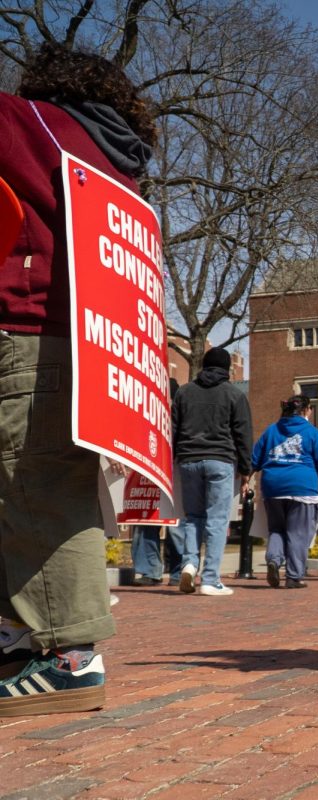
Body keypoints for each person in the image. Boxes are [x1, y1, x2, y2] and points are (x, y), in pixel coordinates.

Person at [0, 44, 157, 714]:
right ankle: (25, 635)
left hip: (30, 334)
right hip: (92, 348)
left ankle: (68, 656)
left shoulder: (29, 125)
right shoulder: (111, 160)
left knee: (32, 487)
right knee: (40, 485)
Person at [169, 347, 255, 597]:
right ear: (227, 368)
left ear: (203, 365)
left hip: (188, 460)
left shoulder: (184, 392)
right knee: (217, 520)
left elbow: (172, 428)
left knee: (193, 517)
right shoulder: (234, 395)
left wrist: (173, 457)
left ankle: (189, 564)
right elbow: (243, 433)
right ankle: (210, 579)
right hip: (220, 460)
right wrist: (246, 469)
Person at [251, 396, 318, 589]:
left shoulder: (271, 430)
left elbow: (255, 459)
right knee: (298, 533)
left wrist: (245, 481)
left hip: (272, 488)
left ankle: (274, 560)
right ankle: (293, 576)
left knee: (277, 529)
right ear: (307, 410)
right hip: (302, 487)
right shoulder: (311, 432)